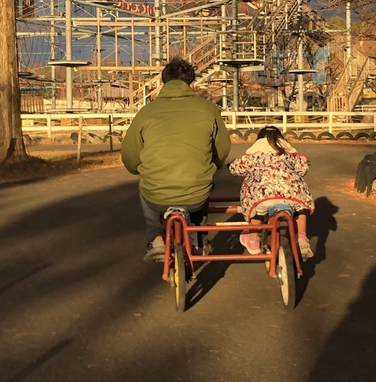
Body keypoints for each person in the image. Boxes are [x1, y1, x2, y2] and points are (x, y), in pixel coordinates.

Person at [121, 56, 231, 262]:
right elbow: (223, 148)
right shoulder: (208, 109)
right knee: (202, 186)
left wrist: (138, 169)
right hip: (196, 194)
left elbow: (129, 155)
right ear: (191, 84)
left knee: (146, 187)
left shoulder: (146, 112)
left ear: (164, 84)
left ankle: (156, 238)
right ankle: (198, 238)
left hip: (156, 195)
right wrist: (209, 166)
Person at [228, 125, 315, 260]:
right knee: (300, 206)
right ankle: (302, 237)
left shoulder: (255, 154)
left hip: (263, 196)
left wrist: (232, 163)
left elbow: (237, 169)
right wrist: (302, 160)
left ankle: (253, 240)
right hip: (291, 195)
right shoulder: (288, 153)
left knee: (255, 207)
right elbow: (302, 170)